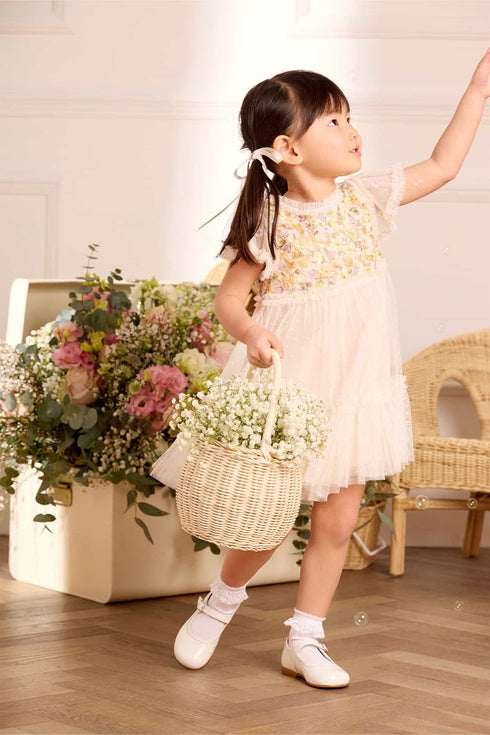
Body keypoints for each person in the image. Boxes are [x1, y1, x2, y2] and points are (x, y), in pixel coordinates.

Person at [151, 52, 490, 688]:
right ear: (288, 148)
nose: (352, 131)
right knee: (267, 516)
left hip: (355, 394)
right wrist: (251, 331)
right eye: (334, 122)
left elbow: (443, 165)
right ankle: (218, 604)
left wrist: (477, 90)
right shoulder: (269, 220)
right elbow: (229, 299)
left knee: (336, 525)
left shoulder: (364, 199)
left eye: (348, 117)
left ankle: (305, 639)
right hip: (291, 400)